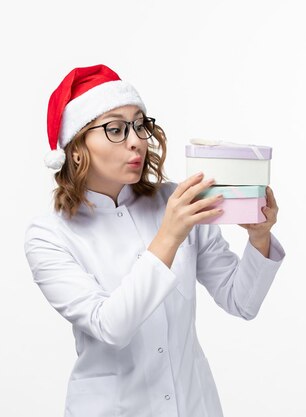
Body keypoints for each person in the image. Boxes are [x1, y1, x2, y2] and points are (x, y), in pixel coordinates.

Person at [23, 64, 285, 417]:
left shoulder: (176, 201)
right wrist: (169, 236)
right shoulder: (50, 236)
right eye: (115, 129)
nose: (136, 140)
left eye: (139, 124)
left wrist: (259, 237)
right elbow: (111, 326)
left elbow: (242, 302)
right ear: (76, 148)